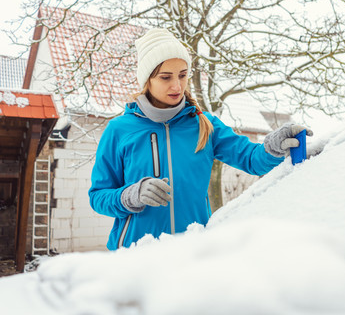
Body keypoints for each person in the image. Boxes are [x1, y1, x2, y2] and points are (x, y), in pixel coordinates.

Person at [89, 28, 312, 250]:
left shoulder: (205, 125)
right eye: (166, 77)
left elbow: (251, 159)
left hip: (194, 252)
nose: (177, 85)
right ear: (147, 79)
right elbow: (98, 196)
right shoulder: (119, 130)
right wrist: (130, 195)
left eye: (183, 74)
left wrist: (272, 147)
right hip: (135, 256)